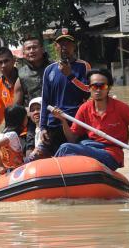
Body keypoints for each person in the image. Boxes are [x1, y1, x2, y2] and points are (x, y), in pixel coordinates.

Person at [51, 69, 129, 170]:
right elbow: (72, 139)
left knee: (66, 148)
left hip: (111, 154)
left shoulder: (121, 107)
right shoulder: (84, 108)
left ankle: (52, 170)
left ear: (109, 88)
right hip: (89, 147)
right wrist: (63, 121)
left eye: (102, 86)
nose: (98, 90)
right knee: (67, 148)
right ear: (89, 88)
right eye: (94, 86)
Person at [37, 28, 91, 157]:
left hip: (75, 122)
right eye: (61, 44)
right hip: (54, 124)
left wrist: (70, 76)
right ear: (56, 46)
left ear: (74, 46)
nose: (64, 47)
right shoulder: (49, 70)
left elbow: (88, 92)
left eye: (67, 43)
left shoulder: (84, 66)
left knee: (77, 159)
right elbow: (45, 100)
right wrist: (43, 127)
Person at [0, 105, 28, 178]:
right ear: (20, 120)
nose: (27, 119)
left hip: (5, 172)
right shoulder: (12, 135)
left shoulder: (1, 135)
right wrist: (0, 166)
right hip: (13, 171)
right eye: (26, 117)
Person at [14, 36, 52, 106]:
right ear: (24, 53)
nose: (31, 51)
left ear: (42, 49)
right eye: (28, 49)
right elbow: (17, 106)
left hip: (54, 113)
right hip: (32, 114)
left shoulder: (53, 68)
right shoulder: (21, 74)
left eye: (34, 47)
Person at [0, 47, 18, 131]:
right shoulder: (0, 84)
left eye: (6, 61)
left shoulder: (23, 79)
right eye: (0, 62)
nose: (4, 65)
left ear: (13, 60)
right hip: (11, 128)